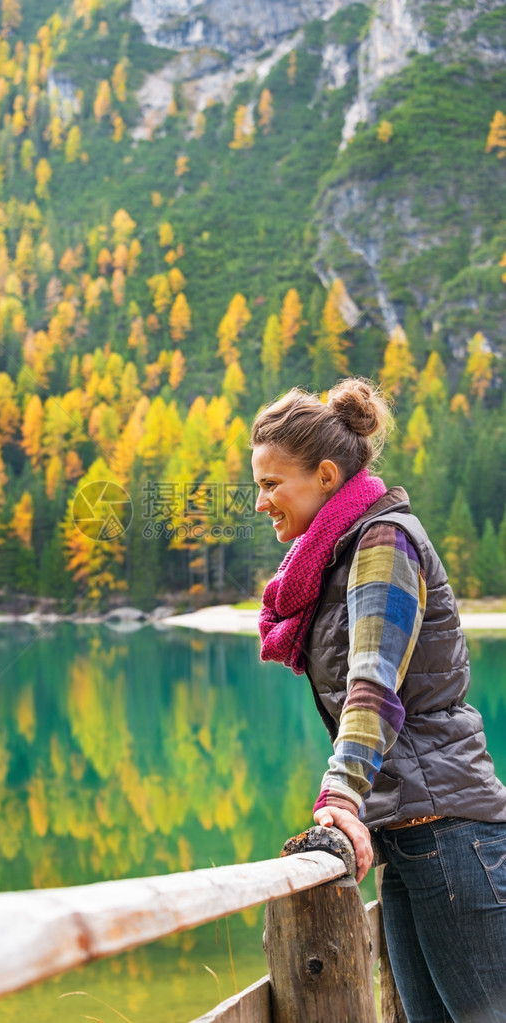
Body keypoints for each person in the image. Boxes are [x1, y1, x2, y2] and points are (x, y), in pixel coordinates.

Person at [251, 377, 506, 1023]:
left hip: (449, 833)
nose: (260, 502)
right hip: (412, 836)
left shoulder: (382, 543)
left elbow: (373, 687)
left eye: (271, 483)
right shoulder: (341, 553)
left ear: (326, 475)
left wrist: (339, 797)